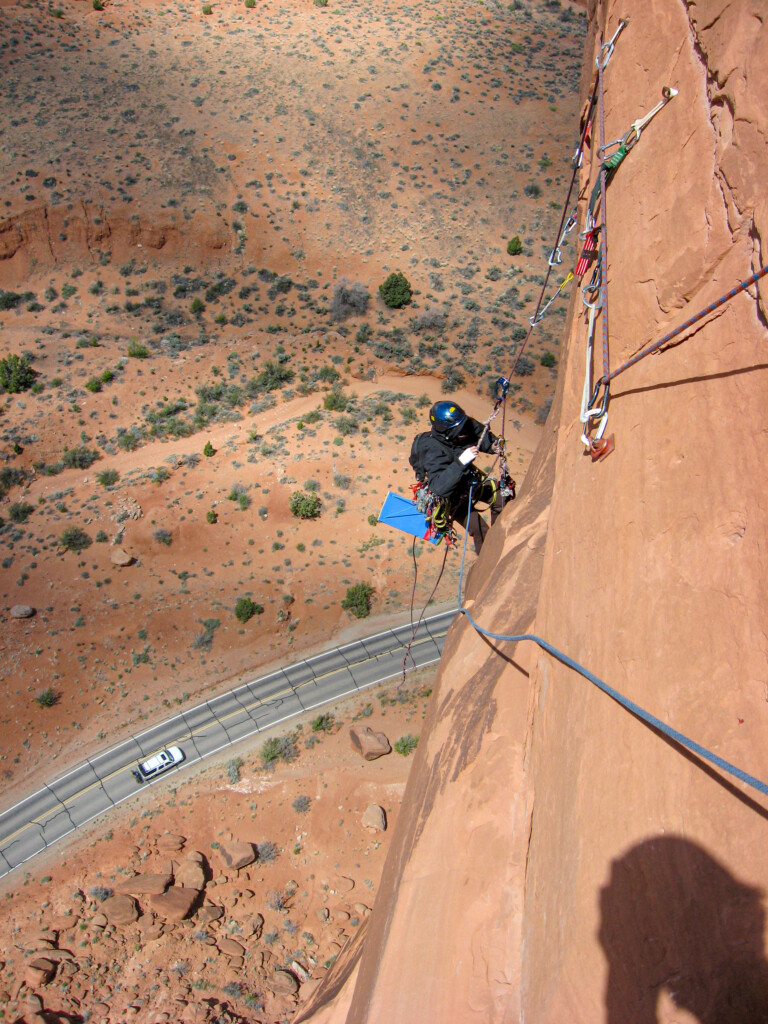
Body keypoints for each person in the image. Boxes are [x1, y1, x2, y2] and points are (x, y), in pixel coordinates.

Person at [409, 400, 505, 554]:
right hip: (451, 498)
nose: (463, 431)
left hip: (468, 482)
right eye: (459, 429)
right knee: (479, 528)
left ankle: (503, 538)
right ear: (446, 430)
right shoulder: (432, 450)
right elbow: (438, 487)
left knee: (501, 497)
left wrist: (492, 445)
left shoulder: (461, 425)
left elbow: (477, 432)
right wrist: (461, 462)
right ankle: (490, 560)